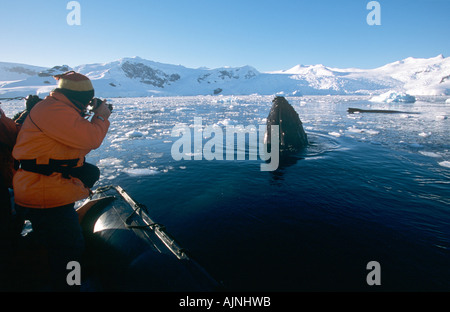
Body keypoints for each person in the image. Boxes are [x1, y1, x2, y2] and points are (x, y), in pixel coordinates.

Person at [12, 71, 111, 291]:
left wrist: (92, 116)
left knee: (55, 241)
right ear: (79, 96)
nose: (88, 104)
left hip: (42, 187)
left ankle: (53, 276)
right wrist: (101, 117)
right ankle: (69, 286)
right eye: (87, 99)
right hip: (44, 193)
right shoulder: (54, 111)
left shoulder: (57, 108)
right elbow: (91, 138)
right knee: (70, 249)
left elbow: (74, 144)